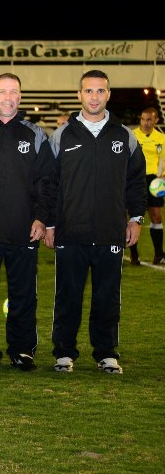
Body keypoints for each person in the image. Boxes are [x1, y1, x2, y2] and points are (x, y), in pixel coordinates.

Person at [44, 70, 147, 375]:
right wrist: (49, 223)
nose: (94, 97)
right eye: (88, 91)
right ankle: (63, 352)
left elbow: (136, 181)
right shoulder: (62, 134)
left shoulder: (124, 135)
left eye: (100, 91)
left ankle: (106, 353)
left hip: (109, 231)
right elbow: (49, 183)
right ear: (79, 95)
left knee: (107, 297)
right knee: (67, 296)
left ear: (108, 95)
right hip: (70, 231)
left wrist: (136, 218)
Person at [0, 73, 56, 372]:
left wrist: (42, 218)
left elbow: (46, 182)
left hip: (24, 230)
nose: (8, 97)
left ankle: (22, 349)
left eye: (13, 92)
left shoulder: (35, 135)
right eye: (2, 92)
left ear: (20, 97)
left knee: (23, 294)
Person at [129, 107, 165, 265]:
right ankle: (134, 256)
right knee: (133, 217)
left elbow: (163, 160)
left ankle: (159, 255)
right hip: (135, 179)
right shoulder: (133, 135)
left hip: (154, 181)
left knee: (156, 216)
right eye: (143, 119)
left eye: (149, 119)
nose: (145, 122)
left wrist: (161, 178)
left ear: (156, 120)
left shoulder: (161, 138)